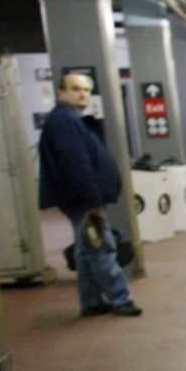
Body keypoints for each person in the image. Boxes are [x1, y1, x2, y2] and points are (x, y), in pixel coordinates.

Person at [38, 72, 141, 317]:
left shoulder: (69, 119)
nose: (82, 94)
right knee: (102, 247)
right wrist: (91, 202)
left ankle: (91, 301)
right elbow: (77, 167)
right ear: (61, 92)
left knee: (85, 251)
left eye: (86, 90)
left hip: (79, 200)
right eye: (75, 89)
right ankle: (121, 299)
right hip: (83, 201)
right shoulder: (65, 122)